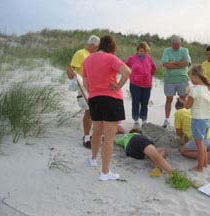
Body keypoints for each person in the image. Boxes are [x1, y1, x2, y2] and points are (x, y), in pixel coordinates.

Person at [83, 35, 131, 181]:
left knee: (97, 131)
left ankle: (93, 159)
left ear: (99, 45)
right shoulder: (111, 58)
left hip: (94, 98)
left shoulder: (88, 59)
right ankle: (105, 172)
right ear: (112, 47)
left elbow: (85, 83)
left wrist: (95, 90)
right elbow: (127, 71)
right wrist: (118, 85)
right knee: (109, 137)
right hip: (111, 98)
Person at [67, 35, 100, 149]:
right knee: (89, 112)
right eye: (96, 47)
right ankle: (86, 137)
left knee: (96, 111)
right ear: (91, 45)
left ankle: (96, 134)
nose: (97, 49)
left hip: (96, 86)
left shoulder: (95, 54)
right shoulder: (81, 53)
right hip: (85, 87)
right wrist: (74, 78)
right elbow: (71, 68)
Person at [185, 64, 210, 172]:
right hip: (207, 118)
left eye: (191, 77)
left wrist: (186, 96)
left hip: (198, 119)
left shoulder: (194, 90)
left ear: (196, 76)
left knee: (199, 144)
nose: (191, 80)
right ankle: (204, 163)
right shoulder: (207, 88)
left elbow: (187, 106)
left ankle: (200, 167)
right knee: (203, 143)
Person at [161, 35, 191, 128]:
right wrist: (179, 64)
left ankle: (183, 119)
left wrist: (172, 62)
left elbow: (186, 63)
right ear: (172, 44)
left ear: (180, 43)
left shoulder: (185, 50)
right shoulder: (167, 50)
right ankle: (167, 120)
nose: (177, 46)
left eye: (178, 44)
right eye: (175, 44)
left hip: (183, 79)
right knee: (169, 99)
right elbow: (165, 64)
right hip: (169, 80)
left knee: (183, 99)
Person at [174, 98, 210, 165]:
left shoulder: (179, 113)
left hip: (201, 138)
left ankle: (206, 156)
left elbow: (178, 133)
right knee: (207, 147)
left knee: (183, 151)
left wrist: (183, 137)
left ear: (178, 107)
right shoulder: (195, 109)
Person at [126, 42, 156, 129]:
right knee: (135, 102)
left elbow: (153, 68)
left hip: (147, 84)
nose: (142, 53)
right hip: (135, 84)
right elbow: (125, 67)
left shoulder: (149, 58)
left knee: (145, 103)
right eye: (141, 51)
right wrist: (132, 76)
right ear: (137, 51)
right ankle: (135, 119)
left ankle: (144, 119)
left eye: (145, 51)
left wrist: (149, 77)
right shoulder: (132, 58)